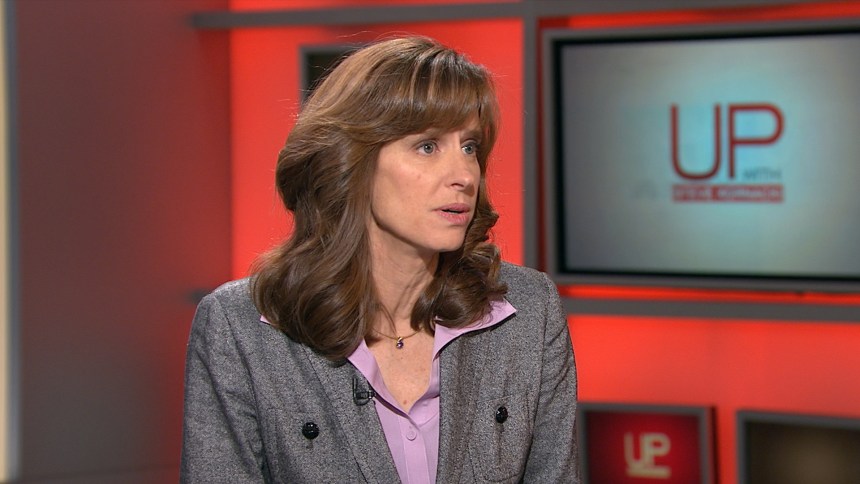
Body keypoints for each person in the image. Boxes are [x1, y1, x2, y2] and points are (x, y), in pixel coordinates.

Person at [181, 36, 579, 483]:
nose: (464, 175)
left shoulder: (529, 310)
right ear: (353, 160)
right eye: (428, 146)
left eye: (469, 147)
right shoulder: (239, 328)